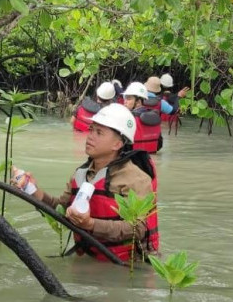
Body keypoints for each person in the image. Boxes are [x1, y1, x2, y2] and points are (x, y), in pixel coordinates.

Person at [13, 104, 159, 262]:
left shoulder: (135, 179)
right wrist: (33, 190)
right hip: (88, 259)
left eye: (99, 132)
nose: (90, 136)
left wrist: (90, 224)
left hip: (126, 265)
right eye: (91, 130)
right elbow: (61, 210)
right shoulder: (81, 174)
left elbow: (138, 229)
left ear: (117, 144)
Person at [123, 82, 162, 153]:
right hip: (151, 159)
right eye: (125, 98)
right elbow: (159, 145)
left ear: (138, 102)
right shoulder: (155, 116)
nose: (125, 102)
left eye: (128, 99)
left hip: (133, 159)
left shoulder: (129, 118)